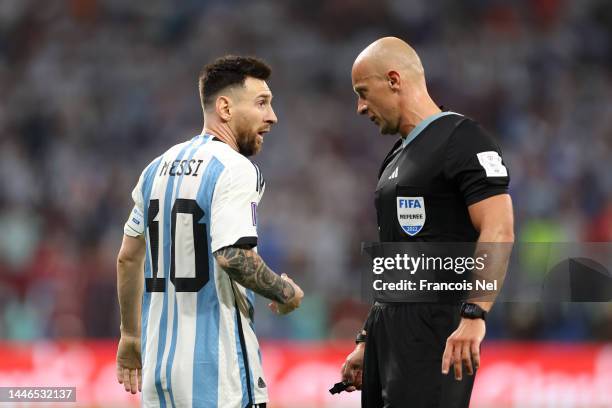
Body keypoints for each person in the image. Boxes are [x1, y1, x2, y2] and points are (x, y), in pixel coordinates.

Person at [115, 55, 304, 408]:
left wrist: (129, 334)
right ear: (225, 108)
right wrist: (284, 292)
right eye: (262, 103)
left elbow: (128, 258)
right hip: (219, 376)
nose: (272, 116)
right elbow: (232, 255)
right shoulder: (236, 169)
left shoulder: (155, 168)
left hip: (160, 377)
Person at [340, 37, 514, 407]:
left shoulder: (463, 139)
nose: (360, 107)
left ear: (394, 79)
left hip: (437, 331)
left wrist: (474, 313)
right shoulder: (395, 158)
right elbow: (397, 259)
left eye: (363, 92)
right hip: (389, 338)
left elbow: (499, 230)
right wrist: (368, 337)